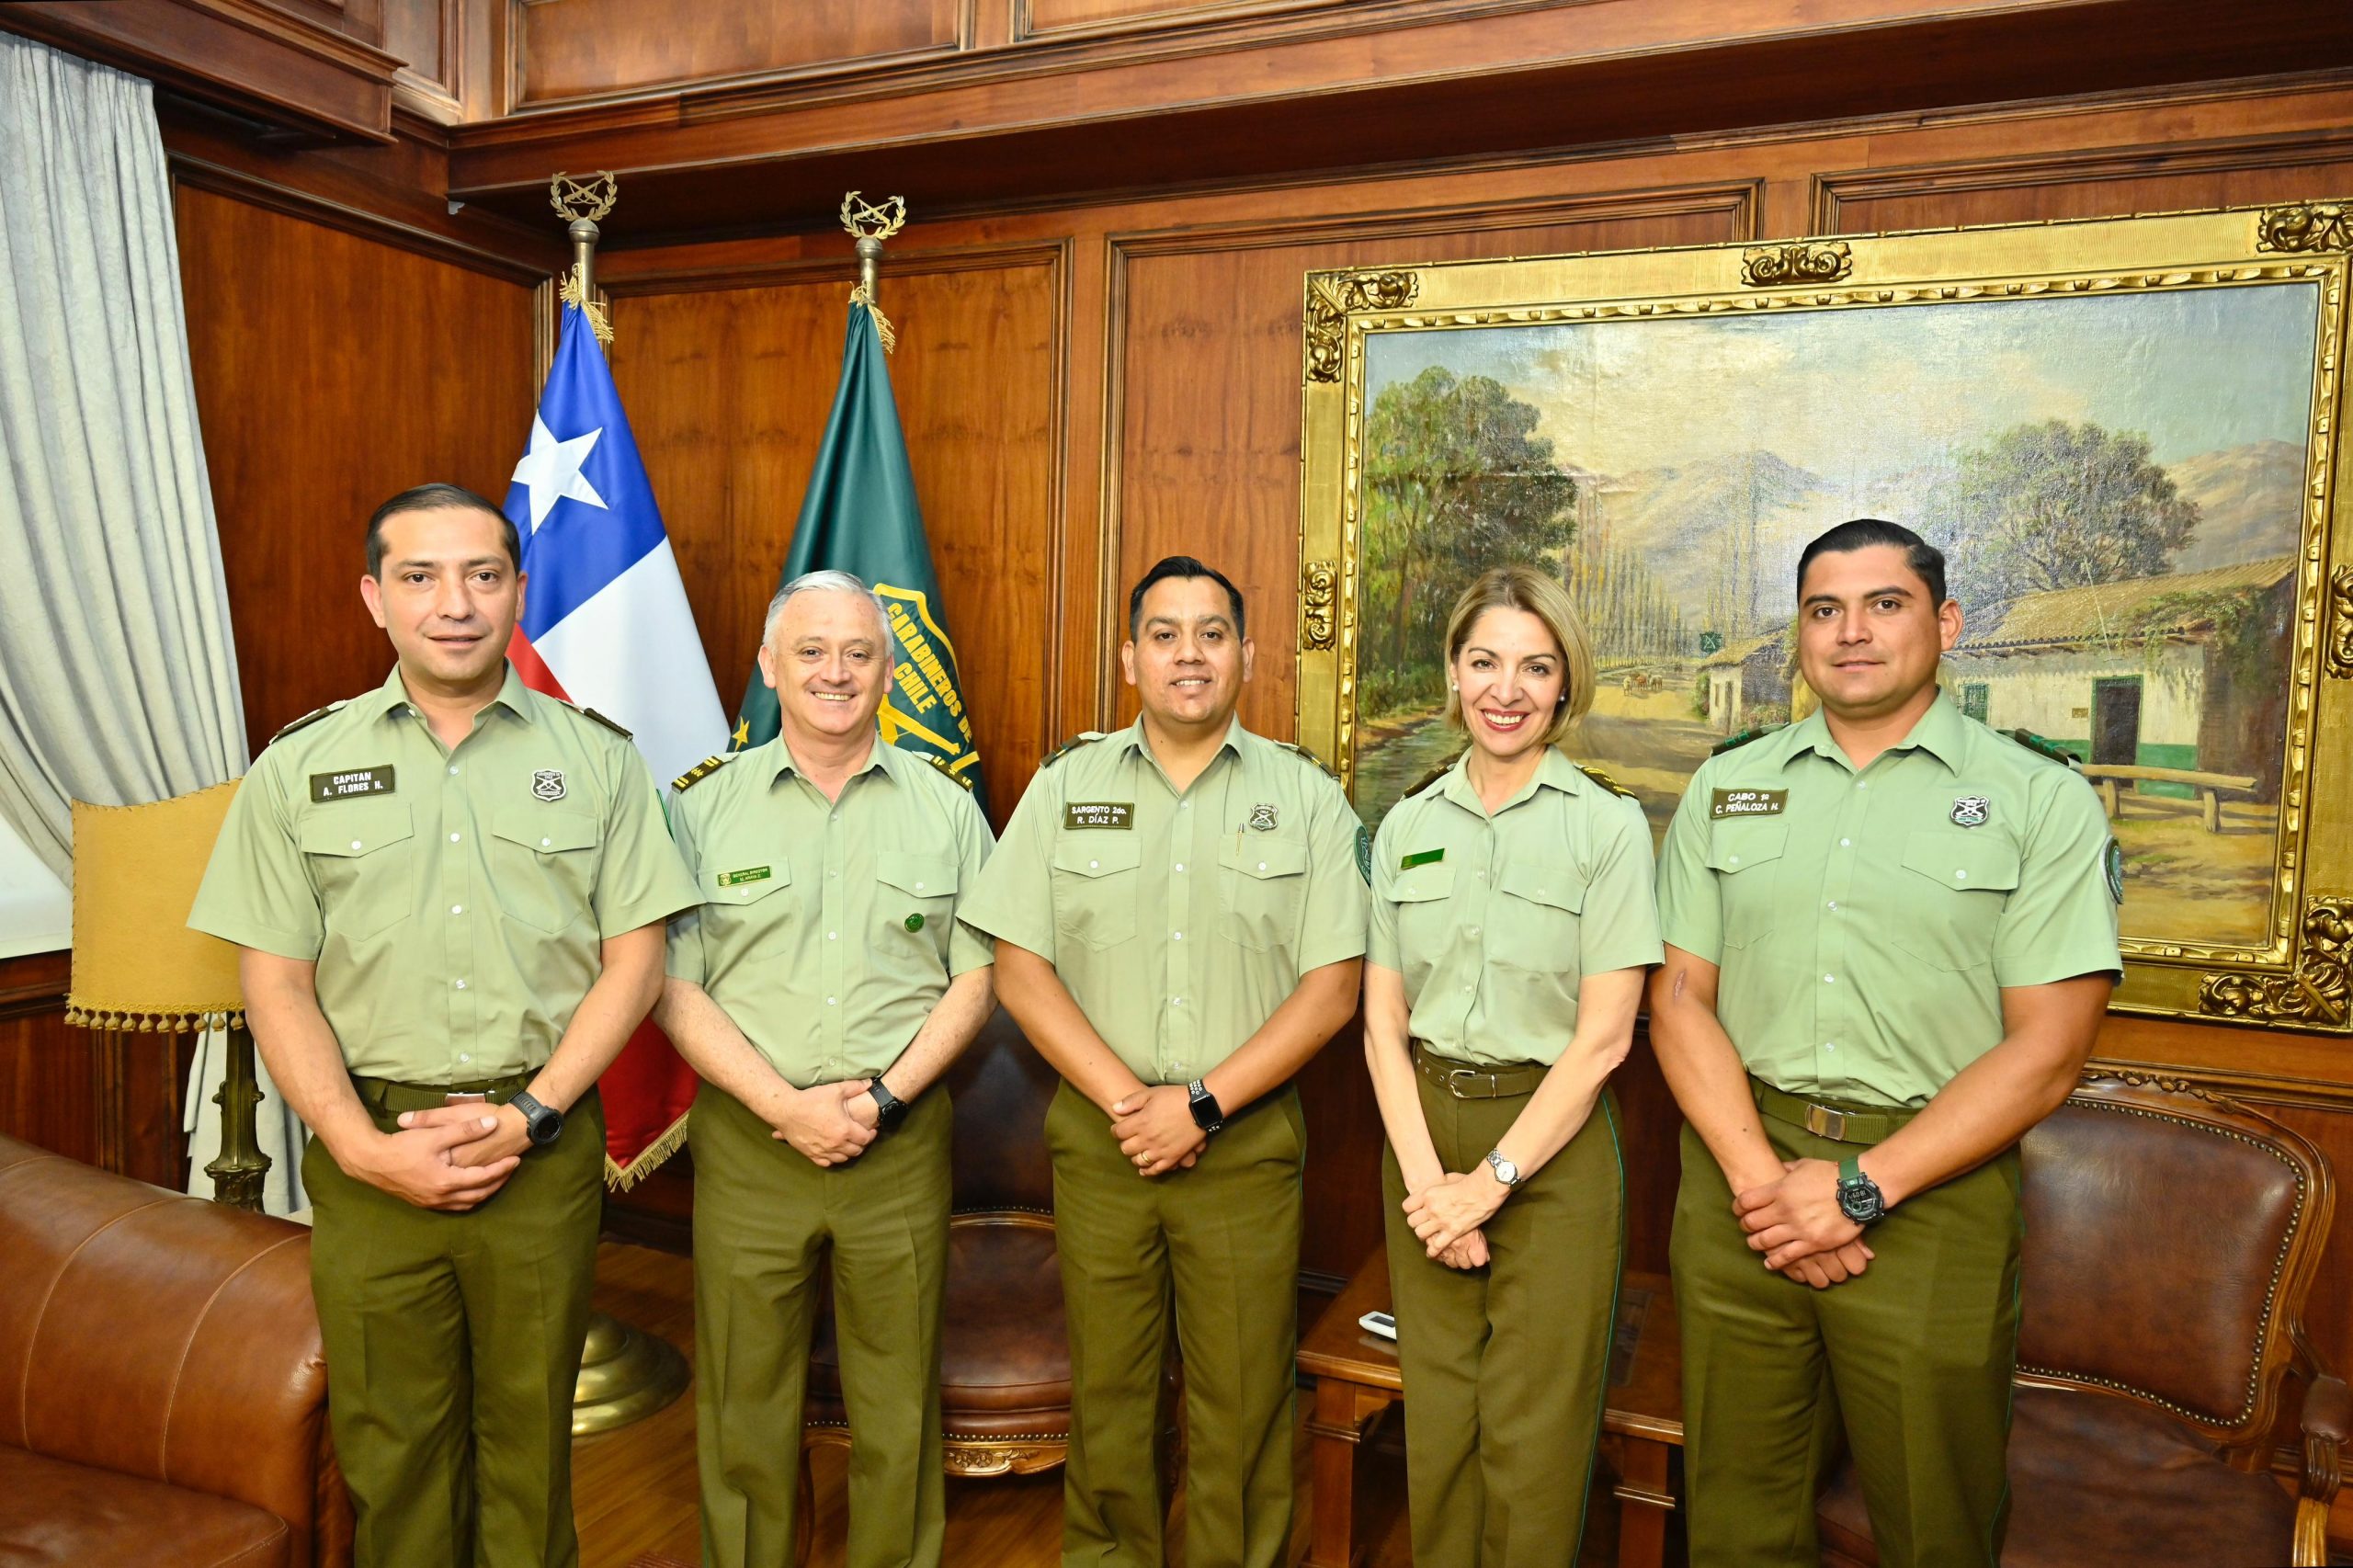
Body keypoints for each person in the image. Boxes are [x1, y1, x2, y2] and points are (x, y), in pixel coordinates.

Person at [188, 482, 699, 1567]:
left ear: (518, 589)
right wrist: (362, 1145)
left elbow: (636, 958)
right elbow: (274, 981)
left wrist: (531, 1114)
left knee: (530, 1446)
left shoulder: (600, 758)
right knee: (394, 1451)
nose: (453, 602)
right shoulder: (301, 765)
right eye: (419, 576)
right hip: (371, 1147)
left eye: (481, 574)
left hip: (541, 1144)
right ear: (375, 596)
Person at [1650, 517, 2123, 1567]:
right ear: (1800, 635)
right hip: (1742, 1177)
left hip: (1931, 1188)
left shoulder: (2037, 797)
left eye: (1884, 603)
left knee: (1931, 1514)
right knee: (1735, 1507)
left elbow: (2046, 1049)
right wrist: (1763, 1183)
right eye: (1824, 609)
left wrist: (1856, 1188)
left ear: (1944, 622)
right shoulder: (1728, 785)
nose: (1850, 631)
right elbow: (1679, 998)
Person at [960, 555, 1368, 1568]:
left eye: (1212, 633)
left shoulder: (1308, 797)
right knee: (1111, 1389)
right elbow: (1018, 967)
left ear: (1248, 653)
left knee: (1243, 1395)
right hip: (1103, 1144)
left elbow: (1333, 988)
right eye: (1165, 633)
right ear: (1129, 657)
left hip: (1244, 1145)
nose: (1189, 654)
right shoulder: (1065, 786)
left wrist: (1200, 1105)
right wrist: (1130, 1101)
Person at [654, 569, 995, 1568]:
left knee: (898, 1398)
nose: (834, 671)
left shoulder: (946, 808)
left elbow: (978, 977)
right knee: (743, 1394)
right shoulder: (702, 812)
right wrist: (783, 1106)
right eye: (810, 650)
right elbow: (672, 983)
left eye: (857, 651)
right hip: (751, 1142)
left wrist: (882, 1098)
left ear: (889, 669)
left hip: (899, 1138)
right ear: (768, 665)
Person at [1362, 565, 1659, 1566]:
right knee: (1439, 1417)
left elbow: (1606, 1038)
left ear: (1564, 684)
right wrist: (1427, 1189)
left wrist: (1487, 1185)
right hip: (1423, 1136)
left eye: (1535, 667)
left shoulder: (1605, 827)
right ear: (1452, 672)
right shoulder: (1406, 825)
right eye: (1484, 661)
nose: (1507, 688)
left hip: (1551, 1146)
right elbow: (1381, 1022)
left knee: (1535, 1435)